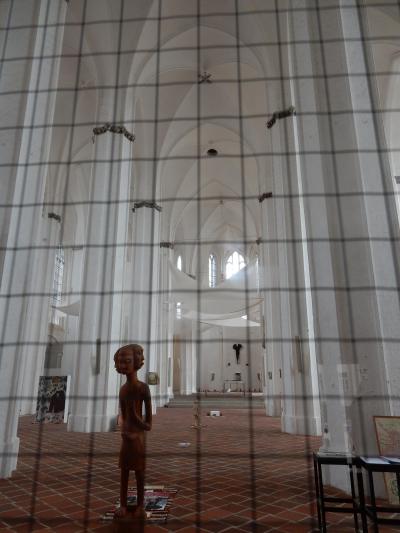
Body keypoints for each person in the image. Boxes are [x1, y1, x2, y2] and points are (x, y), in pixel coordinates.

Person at [114, 344, 152, 519]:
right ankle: (123, 504)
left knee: (139, 472)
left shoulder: (143, 388)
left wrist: (137, 420)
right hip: (126, 437)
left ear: (136, 362)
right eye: (120, 362)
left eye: (127, 361)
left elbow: (148, 425)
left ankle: (140, 505)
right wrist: (122, 427)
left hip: (138, 437)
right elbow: (123, 416)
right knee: (124, 471)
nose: (123, 365)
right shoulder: (123, 390)